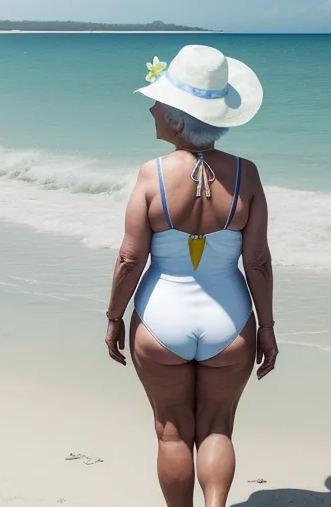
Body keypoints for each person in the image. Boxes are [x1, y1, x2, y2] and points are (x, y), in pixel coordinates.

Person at [104, 44, 278, 507]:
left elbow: (129, 258)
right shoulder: (247, 175)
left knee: (171, 432)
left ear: (180, 118)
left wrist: (113, 317)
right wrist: (268, 329)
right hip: (231, 321)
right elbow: (257, 261)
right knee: (218, 427)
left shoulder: (151, 174)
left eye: (160, 103)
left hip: (161, 320)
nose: (151, 109)